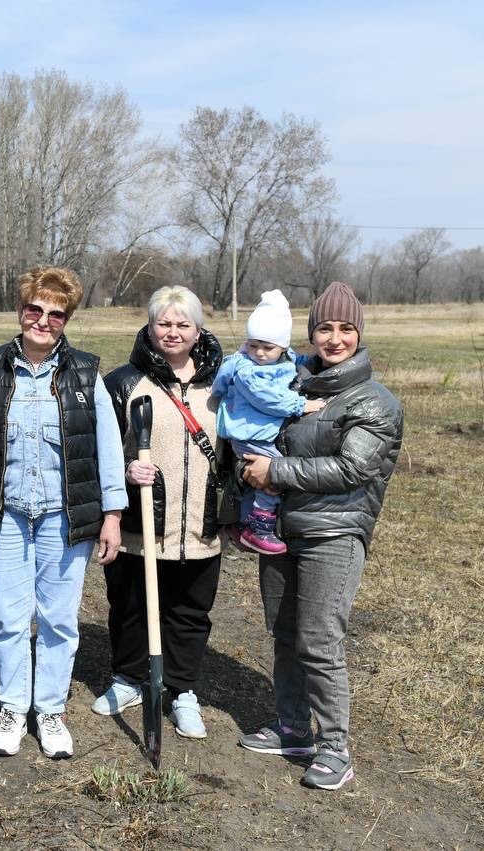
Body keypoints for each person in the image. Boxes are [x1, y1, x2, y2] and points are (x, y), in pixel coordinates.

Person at [0, 266, 126, 759]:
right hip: (4, 516)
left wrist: (112, 513)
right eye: (35, 309)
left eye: (55, 313)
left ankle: (49, 711)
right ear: (21, 310)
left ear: (66, 319)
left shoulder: (87, 374)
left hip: (63, 519)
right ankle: (11, 708)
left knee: (58, 620)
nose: (43, 320)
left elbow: (107, 448)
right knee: (6, 617)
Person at [237, 281, 402, 791]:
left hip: (334, 531)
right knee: (284, 634)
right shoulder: (294, 387)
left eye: (345, 329)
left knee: (319, 640)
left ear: (359, 334)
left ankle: (335, 747)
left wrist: (275, 472)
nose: (334, 339)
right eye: (324, 328)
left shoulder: (375, 402)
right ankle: (292, 729)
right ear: (310, 334)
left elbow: (351, 469)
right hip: (285, 529)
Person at [98, 285, 225, 740]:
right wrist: (125, 470)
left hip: (200, 525)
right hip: (141, 525)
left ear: (197, 330)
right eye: (163, 323)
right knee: (130, 606)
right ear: (150, 327)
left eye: (182, 324)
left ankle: (183, 691)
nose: (172, 332)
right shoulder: (122, 383)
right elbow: (101, 451)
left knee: (190, 610)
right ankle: (128, 678)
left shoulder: (223, 383)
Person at [212, 289, 324, 554]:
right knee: (274, 473)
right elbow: (269, 400)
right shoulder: (248, 371)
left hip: (260, 432)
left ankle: (241, 523)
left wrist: (320, 363)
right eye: (253, 345)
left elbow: (299, 360)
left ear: (283, 346)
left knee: (261, 476)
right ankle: (259, 525)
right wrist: (302, 405)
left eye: (267, 347)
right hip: (248, 433)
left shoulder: (285, 356)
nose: (260, 353)